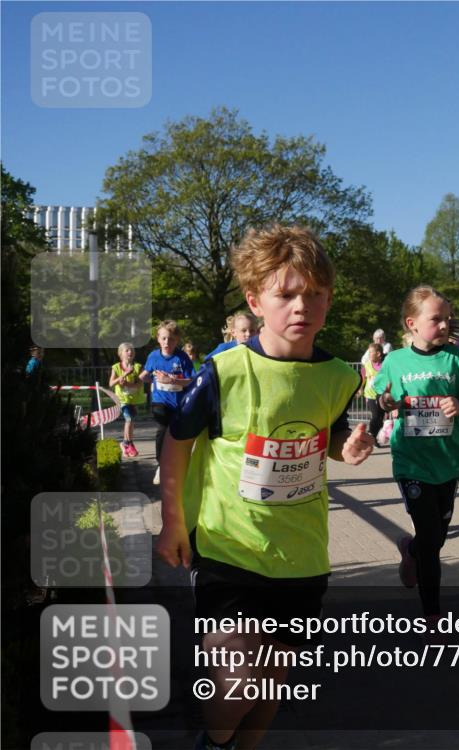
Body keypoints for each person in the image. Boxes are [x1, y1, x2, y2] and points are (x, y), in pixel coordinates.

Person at [155, 224, 374, 750]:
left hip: (300, 555)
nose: (302, 306)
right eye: (287, 294)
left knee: (274, 677)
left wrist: (347, 446)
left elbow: (331, 432)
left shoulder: (341, 376)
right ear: (255, 301)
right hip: (228, 546)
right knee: (235, 676)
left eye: (315, 294)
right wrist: (173, 522)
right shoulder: (223, 371)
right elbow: (177, 443)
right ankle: (213, 741)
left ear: (329, 299)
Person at [373, 286, 459, 625]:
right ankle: (432, 615)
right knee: (430, 536)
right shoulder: (395, 361)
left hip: (447, 462)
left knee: (434, 539)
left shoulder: (458, 359)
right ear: (412, 323)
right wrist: (385, 405)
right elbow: (379, 399)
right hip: (411, 463)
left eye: (447, 320)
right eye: (436, 319)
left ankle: (411, 551)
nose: (444, 326)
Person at [139, 320, 194, 485]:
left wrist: (171, 380)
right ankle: (160, 464)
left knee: (176, 433)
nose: (166, 343)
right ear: (158, 339)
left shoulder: (182, 358)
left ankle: (177, 465)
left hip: (178, 404)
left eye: (171, 339)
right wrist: (144, 377)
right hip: (159, 402)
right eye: (163, 338)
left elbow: (191, 380)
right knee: (163, 427)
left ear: (177, 341)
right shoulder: (153, 356)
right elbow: (145, 374)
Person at [110, 342, 144, 457]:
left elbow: (139, 385)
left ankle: (125, 443)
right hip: (122, 399)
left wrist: (128, 384)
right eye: (127, 350)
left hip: (133, 399)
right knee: (129, 419)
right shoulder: (116, 367)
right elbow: (111, 383)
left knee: (131, 421)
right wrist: (124, 374)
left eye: (132, 350)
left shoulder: (138, 367)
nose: (130, 352)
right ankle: (129, 444)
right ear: (121, 354)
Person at [361, 342, 386, 443]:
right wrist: (360, 389)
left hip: (381, 396)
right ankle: (371, 434)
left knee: (380, 418)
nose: (369, 354)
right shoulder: (367, 365)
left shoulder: (385, 366)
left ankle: (374, 437)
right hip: (370, 395)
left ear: (378, 354)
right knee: (375, 416)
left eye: (371, 352)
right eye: (369, 352)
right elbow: (362, 378)